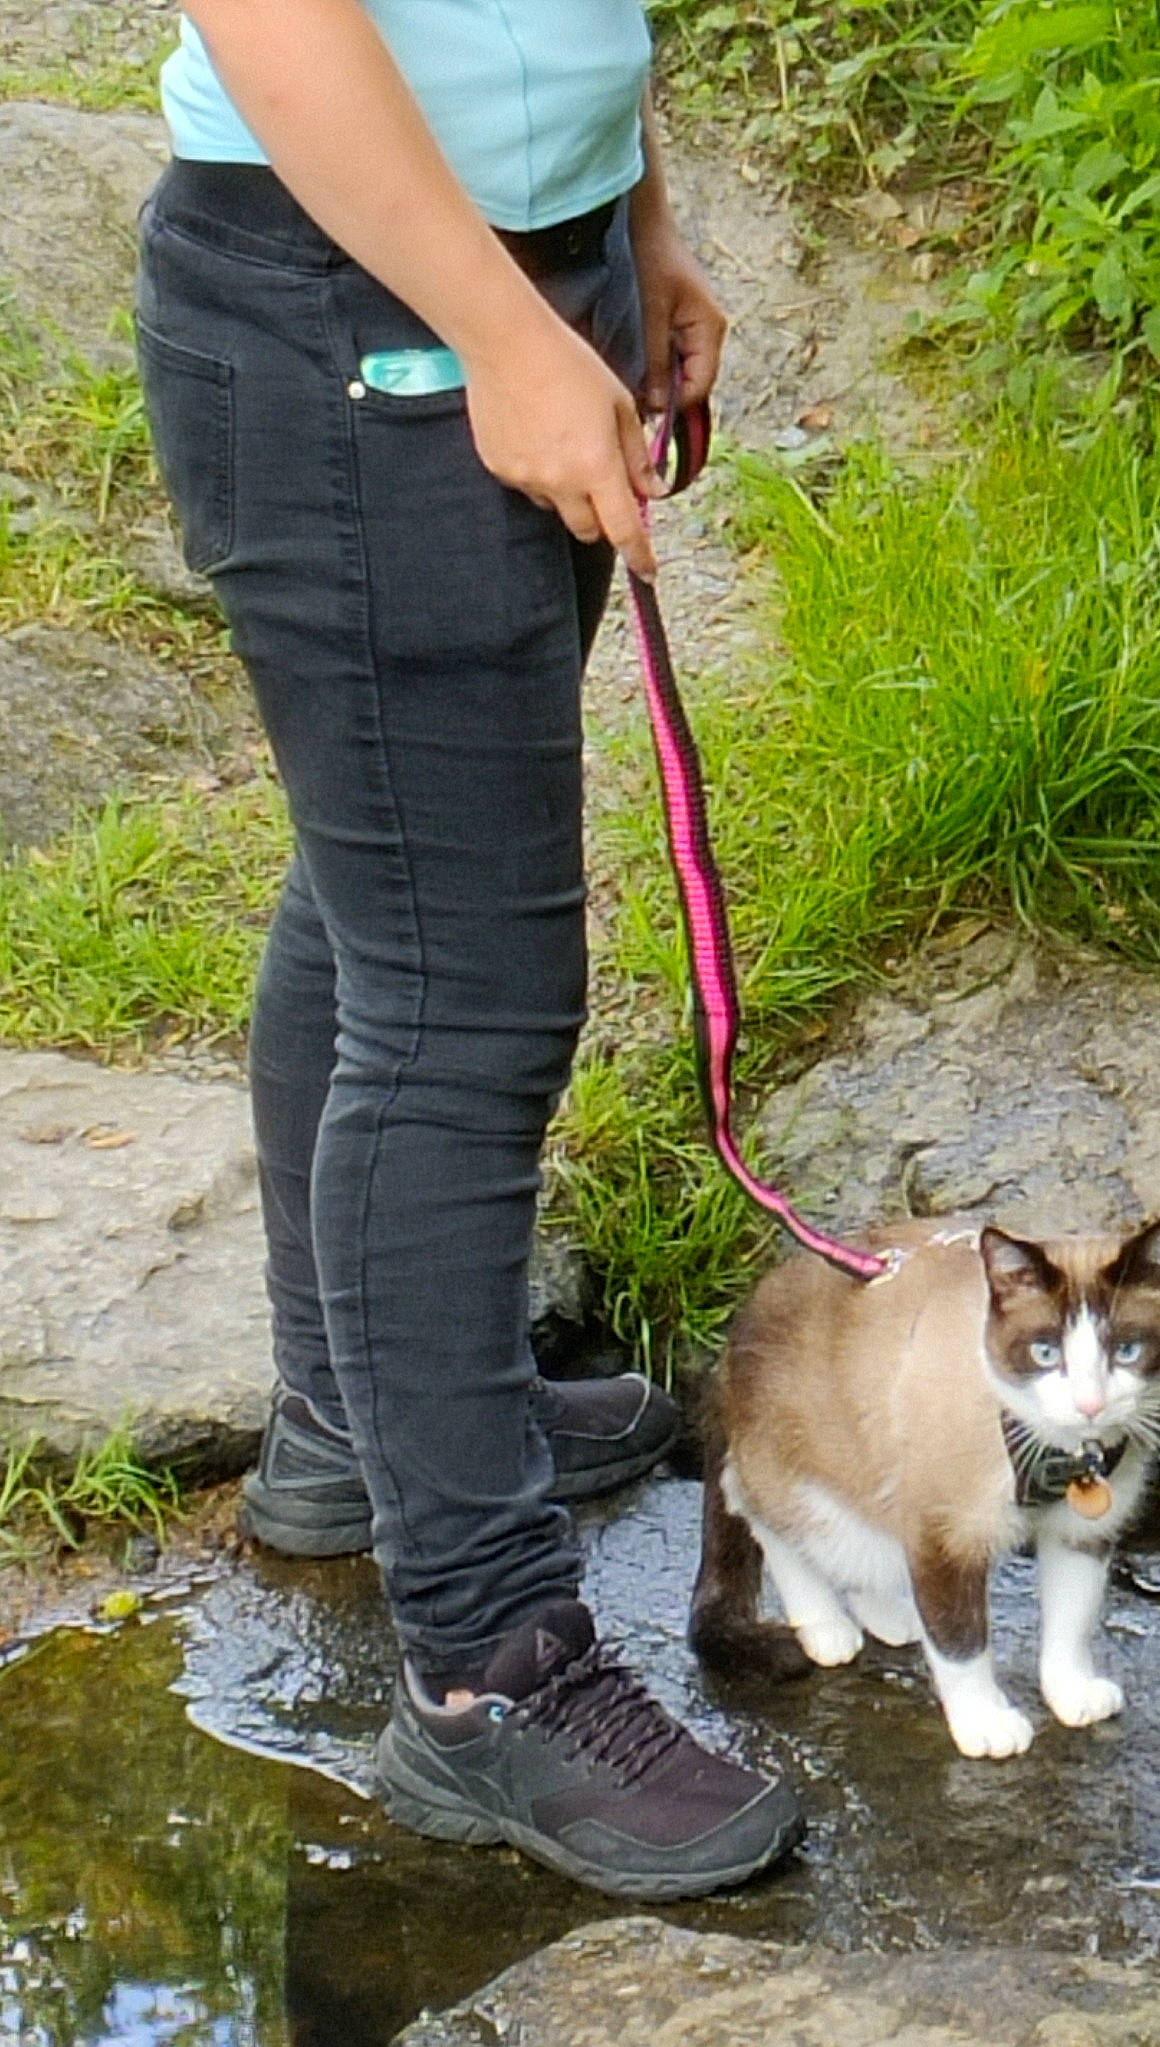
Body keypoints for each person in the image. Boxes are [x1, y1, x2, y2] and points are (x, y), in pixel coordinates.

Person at [137, 0, 803, 1900]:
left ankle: (352, 1428)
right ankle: (489, 1673)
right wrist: (506, 335)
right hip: (358, 308)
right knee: (463, 1009)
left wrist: (631, 222)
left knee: (386, 894)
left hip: (512, 277)